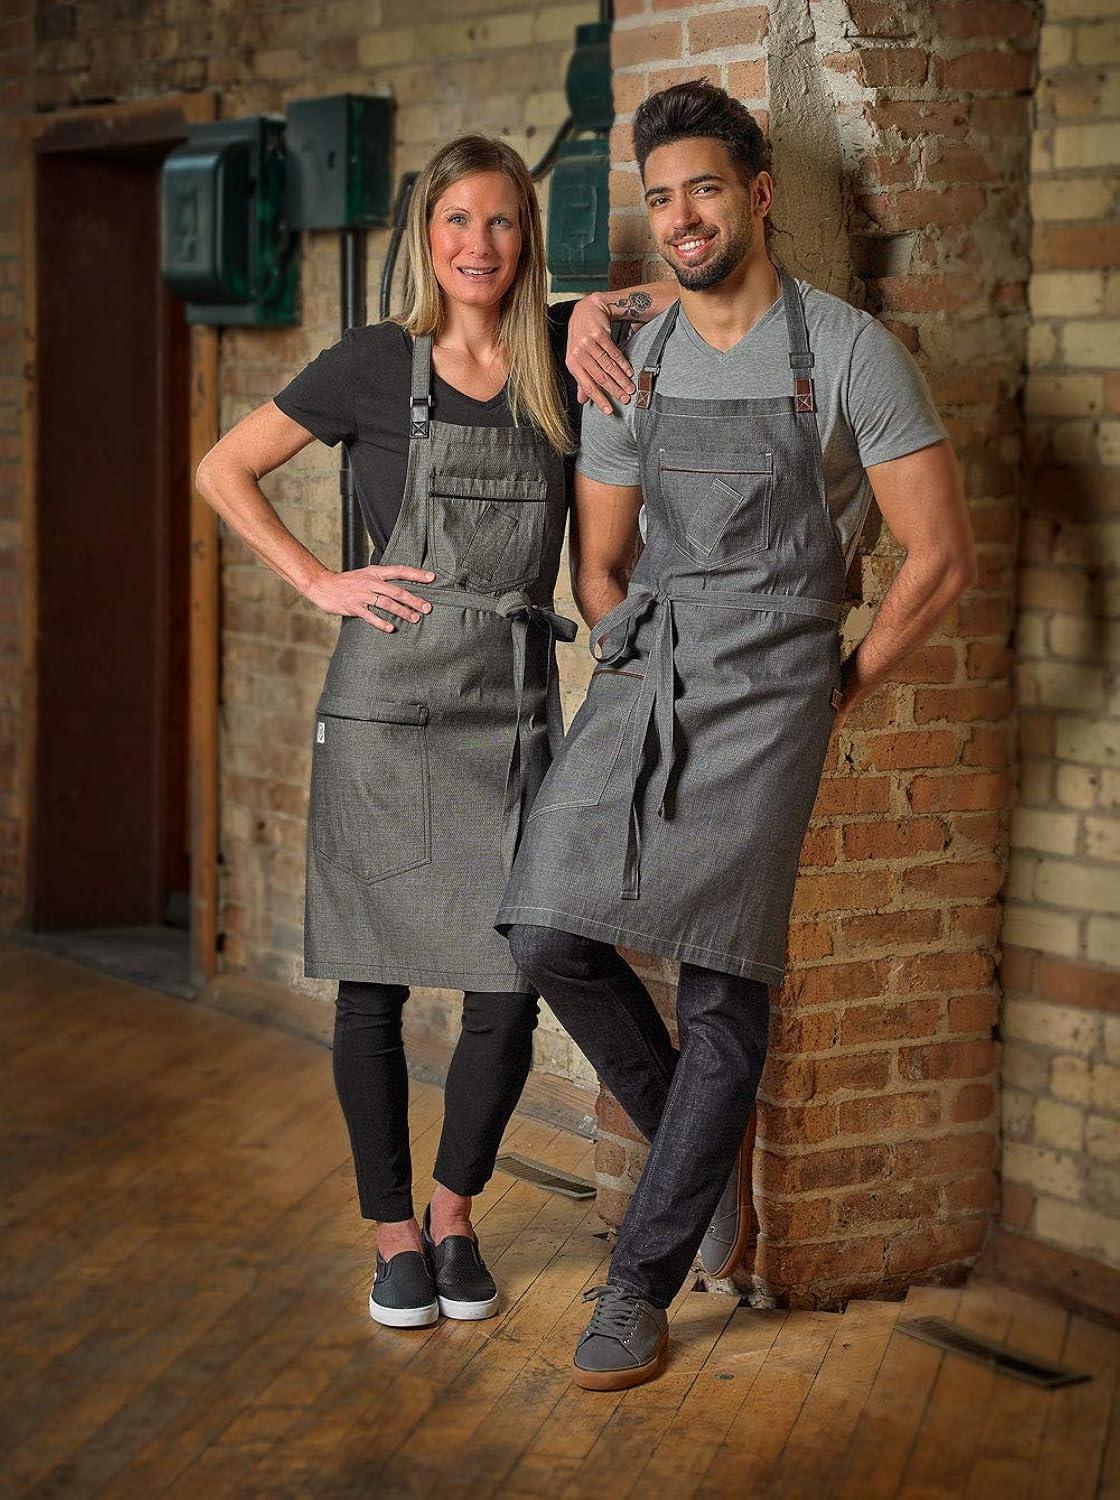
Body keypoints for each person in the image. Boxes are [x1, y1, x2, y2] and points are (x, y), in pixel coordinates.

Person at [499, 81, 977, 1389]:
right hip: (651, 670)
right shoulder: (628, 353)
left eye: (704, 188)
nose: (683, 217)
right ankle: (689, 1151)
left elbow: (939, 557)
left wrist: (840, 687)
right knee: (545, 924)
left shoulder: (848, 354)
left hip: (777, 695)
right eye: (661, 199)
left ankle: (639, 1289)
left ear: (759, 194)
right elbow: (601, 563)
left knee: (722, 982)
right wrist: (634, 657)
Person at [196, 135, 673, 1331]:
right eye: (456, 222)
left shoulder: (562, 365)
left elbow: (691, 290)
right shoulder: (374, 364)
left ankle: (458, 1213)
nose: (478, 245)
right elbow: (223, 468)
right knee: (373, 989)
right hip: (384, 709)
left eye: (502, 223)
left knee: (512, 980)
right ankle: (393, 1238)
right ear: (427, 235)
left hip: (512, 708)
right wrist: (319, 581)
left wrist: (585, 314)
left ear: (526, 240)